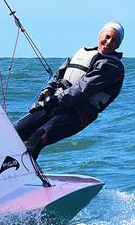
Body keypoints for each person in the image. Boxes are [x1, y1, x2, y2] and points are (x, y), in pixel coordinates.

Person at [14, 21, 126, 160]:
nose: (109, 42)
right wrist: (48, 90)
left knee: (37, 138)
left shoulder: (112, 66)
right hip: (57, 103)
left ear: (118, 45)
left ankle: (23, 175)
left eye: (114, 40)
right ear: (99, 36)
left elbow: (84, 88)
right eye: (107, 37)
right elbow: (59, 74)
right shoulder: (83, 52)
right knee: (14, 133)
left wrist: (57, 99)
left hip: (78, 113)